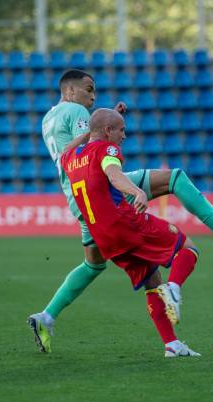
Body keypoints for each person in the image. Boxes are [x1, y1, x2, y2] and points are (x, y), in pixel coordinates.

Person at [28, 69, 213, 353]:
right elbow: (94, 148)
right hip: (101, 187)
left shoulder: (47, 119)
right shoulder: (74, 111)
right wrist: (104, 130)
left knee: (98, 264)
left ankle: (47, 316)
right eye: (88, 89)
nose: (92, 95)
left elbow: (71, 150)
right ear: (69, 91)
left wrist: (106, 118)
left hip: (78, 199)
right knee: (175, 177)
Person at [61, 108, 200, 357]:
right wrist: (137, 191)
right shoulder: (108, 150)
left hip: (104, 240)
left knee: (151, 280)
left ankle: (171, 344)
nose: (124, 135)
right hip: (125, 223)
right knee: (188, 248)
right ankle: (174, 287)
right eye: (121, 129)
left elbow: (67, 149)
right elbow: (114, 174)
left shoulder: (69, 158)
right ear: (108, 131)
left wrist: (94, 129)